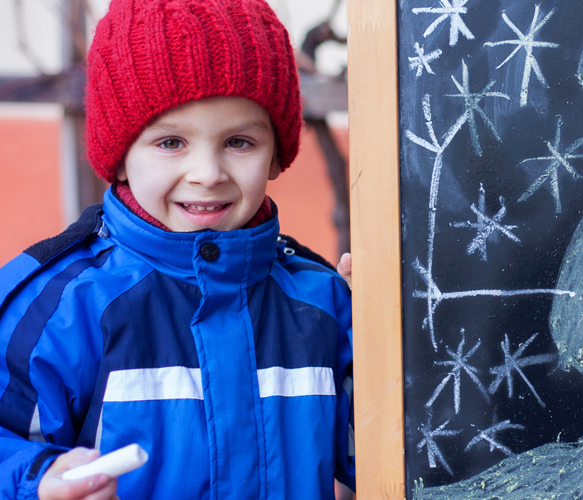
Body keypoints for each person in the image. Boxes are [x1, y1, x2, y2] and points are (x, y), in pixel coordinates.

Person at [0, 0, 355, 498]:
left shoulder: (324, 301)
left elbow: (390, 452)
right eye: (171, 143)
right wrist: (36, 481)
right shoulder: (62, 305)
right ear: (120, 157)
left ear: (276, 153)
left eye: (238, 142)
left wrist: (402, 342)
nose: (208, 174)